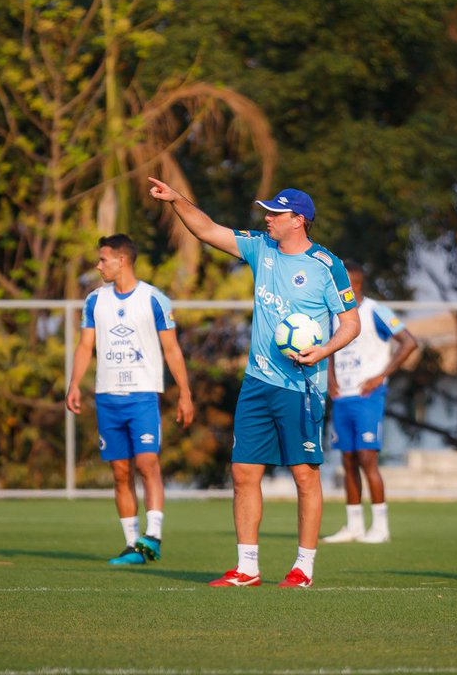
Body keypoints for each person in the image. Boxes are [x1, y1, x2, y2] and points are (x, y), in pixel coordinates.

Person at [148, 178, 360, 588]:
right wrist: (177, 201)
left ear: (298, 221)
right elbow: (208, 230)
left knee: (304, 475)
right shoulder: (260, 247)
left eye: (275, 214)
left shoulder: (326, 265)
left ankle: (303, 568)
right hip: (257, 381)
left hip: (301, 387)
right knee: (244, 471)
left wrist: (322, 351)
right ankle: (247, 567)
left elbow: (350, 324)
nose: (267, 218)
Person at [65, 234, 195, 565]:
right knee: (120, 472)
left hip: (142, 395)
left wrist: (185, 392)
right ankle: (131, 544)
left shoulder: (154, 299)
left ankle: (153, 536)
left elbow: (172, 349)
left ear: (122, 260)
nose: (98, 265)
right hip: (107, 397)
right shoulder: (95, 300)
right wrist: (74, 384)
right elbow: (84, 346)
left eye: (103, 259)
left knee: (147, 463)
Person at [323, 261, 418, 544]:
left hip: (368, 396)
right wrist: (330, 378)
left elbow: (409, 342)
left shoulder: (375, 310)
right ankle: (354, 526)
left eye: (346, 284)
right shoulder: (333, 315)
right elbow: (330, 349)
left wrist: (381, 376)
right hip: (343, 397)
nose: (341, 289)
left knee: (367, 459)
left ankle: (380, 526)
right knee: (348, 460)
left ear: (358, 283)